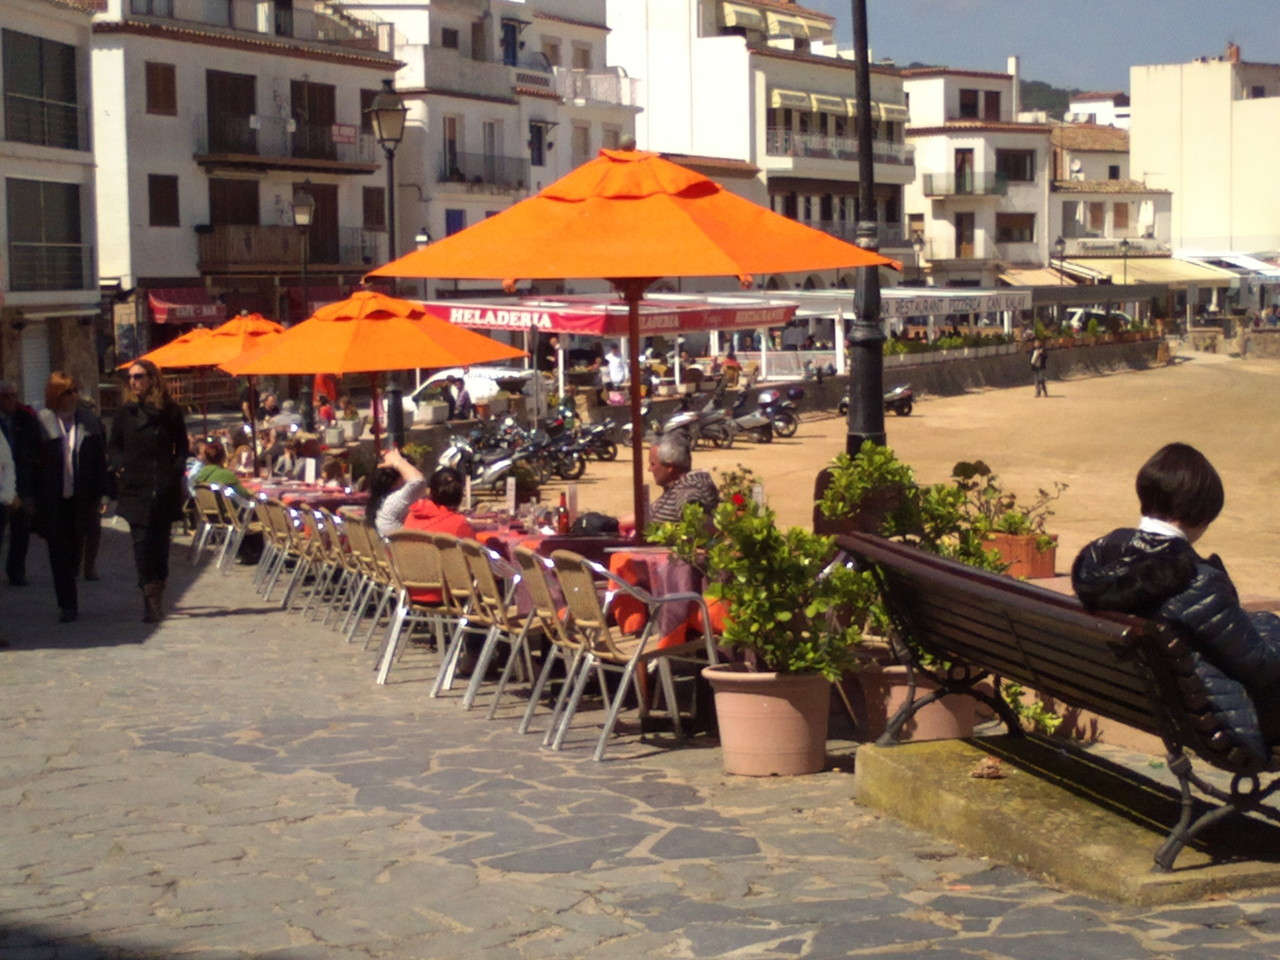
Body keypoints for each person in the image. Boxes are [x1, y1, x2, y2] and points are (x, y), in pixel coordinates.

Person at [1072, 443, 1280, 760]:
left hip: (1150, 704)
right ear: (1201, 514)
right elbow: (1262, 666)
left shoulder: (1101, 556)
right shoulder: (1197, 580)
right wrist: (1268, 621)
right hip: (1224, 726)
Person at [109, 359, 189, 623]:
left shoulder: (170, 412)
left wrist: (174, 472)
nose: (134, 382)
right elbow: (115, 446)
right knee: (141, 545)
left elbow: (182, 447)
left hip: (162, 487)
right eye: (130, 377)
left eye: (139, 376)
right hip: (135, 488)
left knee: (160, 545)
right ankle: (149, 597)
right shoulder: (125, 414)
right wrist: (120, 467)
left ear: (152, 379)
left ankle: (159, 587)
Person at [34, 372, 109, 622]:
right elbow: (33, 464)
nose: (73, 396)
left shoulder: (89, 422)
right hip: (54, 500)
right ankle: (68, 605)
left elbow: (100, 461)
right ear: (55, 395)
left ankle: (71, 584)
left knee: (75, 551)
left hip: (81, 498)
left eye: (75, 390)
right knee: (58, 553)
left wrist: (104, 493)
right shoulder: (42, 422)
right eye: (68, 392)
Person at [618, 433, 719, 534]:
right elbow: (645, 515)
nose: (649, 469)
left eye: (653, 464)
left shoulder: (686, 490)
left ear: (670, 467)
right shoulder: (676, 487)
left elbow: (703, 525)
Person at [0, 380, 40, 586]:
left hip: (22, 482)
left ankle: (16, 571)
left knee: (21, 530)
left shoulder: (26, 419)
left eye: (12, 396)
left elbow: (36, 450)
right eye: (4, 396)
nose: (9, 400)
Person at [366, 446, 426, 537]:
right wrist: (398, 462)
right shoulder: (392, 503)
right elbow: (417, 482)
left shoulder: (382, 501)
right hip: (395, 550)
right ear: (393, 482)